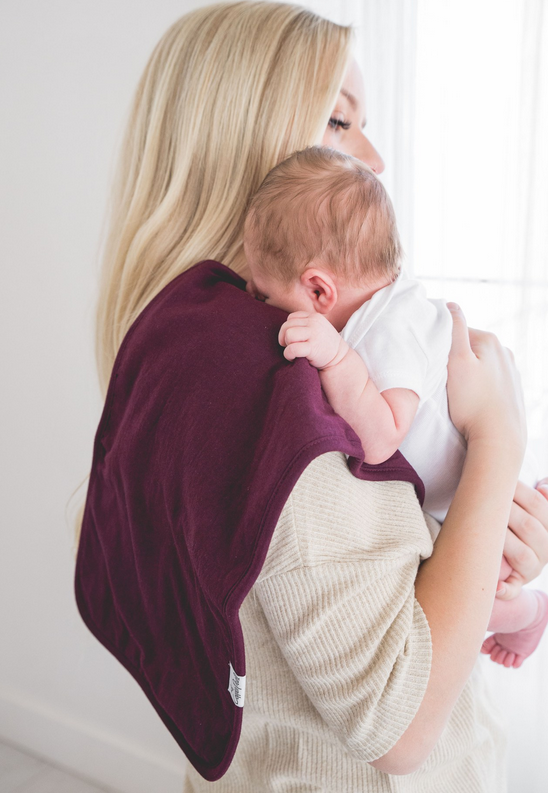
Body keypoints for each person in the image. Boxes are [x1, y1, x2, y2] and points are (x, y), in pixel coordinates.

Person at [74, 2, 548, 789]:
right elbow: (398, 721)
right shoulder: (277, 379)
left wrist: (481, 520)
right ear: (245, 143)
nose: (374, 161)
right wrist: (499, 439)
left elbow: (363, 580)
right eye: (338, 121)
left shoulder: (188, 344)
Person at [243, 144, 548, 672]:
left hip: (482, 503)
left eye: (264, 292)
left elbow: (383, 435)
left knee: (479, 596)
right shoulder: (384, 305)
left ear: (319, 289)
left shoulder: (386, 330)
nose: (252, 298)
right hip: (473, 486)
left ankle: (528, 615)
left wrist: (336, 357)